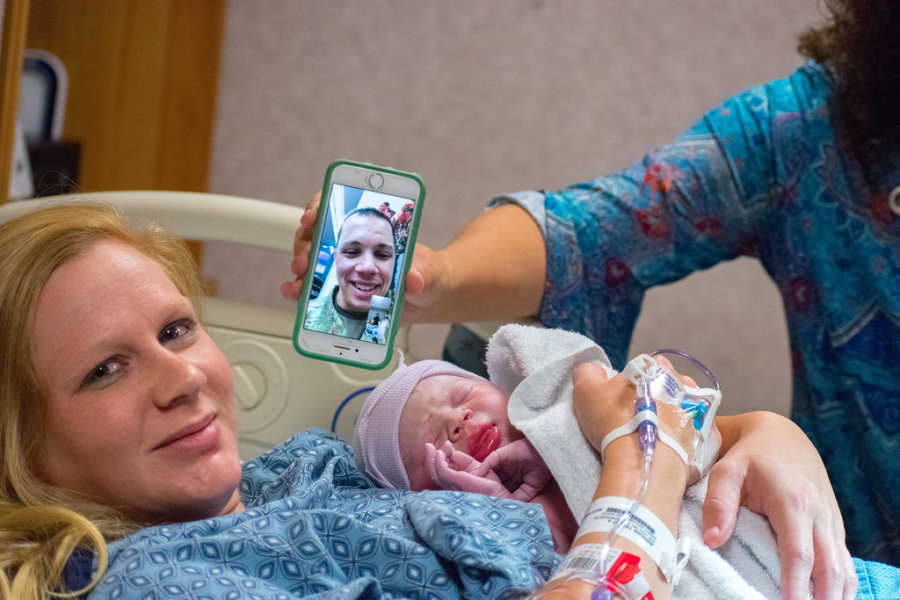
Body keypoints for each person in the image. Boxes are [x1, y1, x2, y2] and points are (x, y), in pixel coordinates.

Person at [283, 0, 899, 593]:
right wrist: (438, 276)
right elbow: (594, 232)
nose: (459, 422)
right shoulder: (808, 131)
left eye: (460, 396)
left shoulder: (611, 430)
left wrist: (753, 436)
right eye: (429, 443)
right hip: (822, 562)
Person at [0, 201, 725, 600]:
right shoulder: (154, 582)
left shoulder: (296, 471)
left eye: (177, 330)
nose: (182, 379)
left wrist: (755, 437)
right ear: (21, 446)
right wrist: (645, 461)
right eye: (105, 370)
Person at [303, 207, 396, 339]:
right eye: (352, 252)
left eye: (382, 254)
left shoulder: (401, 330)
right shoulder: (302, 317)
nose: (367, 267)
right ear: (336, 259)